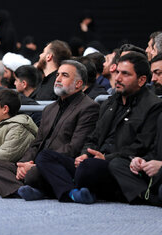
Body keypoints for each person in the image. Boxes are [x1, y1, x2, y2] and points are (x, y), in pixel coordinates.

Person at [36, 52, 162, 204]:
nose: (118, 78)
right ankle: (72, 192)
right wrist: (84, 154)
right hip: (95, 160)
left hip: (119, 163)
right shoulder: (110, 102)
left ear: (141, 80)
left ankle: (60, 187)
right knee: (45, 157)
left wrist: (105, 158)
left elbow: (141, 146)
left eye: (125, 74)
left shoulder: (152, 106)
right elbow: (93, 137)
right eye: (117, 72)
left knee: (87, 169)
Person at [0, 60, 99, 199]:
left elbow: (75, 147)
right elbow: (36, 143)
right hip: (37, 163)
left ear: (78, 84)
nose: (57, 79)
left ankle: (33, 188)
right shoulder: (50, 109)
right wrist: (25, 164)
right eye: (57, 74)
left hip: (60, 164)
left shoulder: (88, 107)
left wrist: (37, 165)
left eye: (64, 75)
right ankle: (23, 190)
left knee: (35, 173)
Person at [109, 112, 162, 206]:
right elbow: (155, 151)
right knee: (117, 164)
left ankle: (145, 196)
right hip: (155, 174)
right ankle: (149, 196)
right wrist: (141, 161)